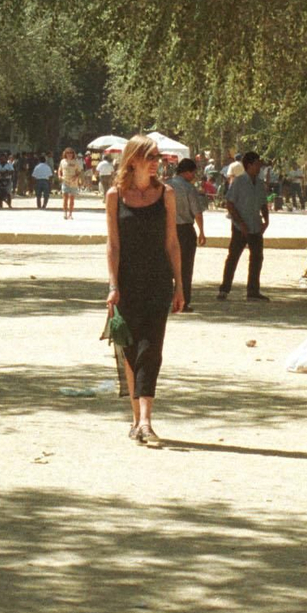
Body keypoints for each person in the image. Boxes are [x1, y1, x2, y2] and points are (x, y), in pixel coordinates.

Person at [105, 135, 184, 446]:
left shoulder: (167, 194)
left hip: (158, 281)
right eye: (150, 156)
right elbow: (113, 245)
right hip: (124, 284)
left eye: (158, 157)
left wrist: (180, 285)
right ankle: (135, 419)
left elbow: (172, 242)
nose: (156, 162)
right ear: (133, 159)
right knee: (129, 350)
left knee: (151, 349)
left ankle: (147, 421)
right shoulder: (115, 195)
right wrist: (113, 286)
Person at [219, 151, 270, 301]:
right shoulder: (239, 182)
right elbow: (230, 203)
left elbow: (263, 203)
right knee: (233, 257)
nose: (259, 166)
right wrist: (240, 223)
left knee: (257, 258)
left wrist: (266, 220)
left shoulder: (259, 183)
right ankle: (224, 289)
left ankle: (253, 291)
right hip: (240, 226)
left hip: (255, 225)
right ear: (249, 165)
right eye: (257, 163)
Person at [167, 157, 206, 310]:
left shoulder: (166, 185)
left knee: (167, 266)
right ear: (188, 173)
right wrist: (202, 231)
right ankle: (183, 301)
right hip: (184, 230)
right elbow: (197, 212)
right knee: (185, 267)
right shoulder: (189, 188)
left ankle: (167, 299)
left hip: (167, 229)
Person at [59, 148, 83, 220]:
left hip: (73, 183)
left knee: (72, 199)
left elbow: (79, 171)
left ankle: (70, 214)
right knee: (65, 198)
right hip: (65, 181)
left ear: (73, 154)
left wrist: (76, 176)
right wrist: (59, 176)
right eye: (67, 153)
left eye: (71, 153)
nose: (69, 154)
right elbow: (59, 170)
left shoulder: (76, 162)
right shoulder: (62, 161)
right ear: (65, 154)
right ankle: (65, 213)